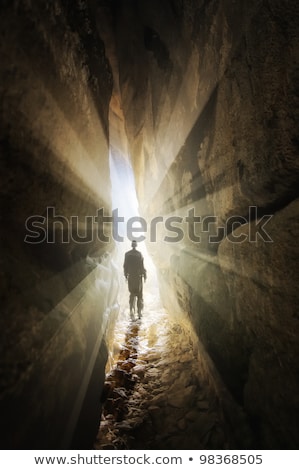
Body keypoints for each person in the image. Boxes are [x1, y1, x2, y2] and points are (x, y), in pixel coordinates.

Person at [123, 240, 147, 318]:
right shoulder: (139, 254)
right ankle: (139, 312)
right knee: (139, 295)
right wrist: (144, 274)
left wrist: (126, 275)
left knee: (132, 293)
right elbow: (142, 266)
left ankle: (131, 310)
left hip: (131, 276)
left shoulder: (127, 254)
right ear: (136, 245)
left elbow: (125, 266)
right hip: (138, 276)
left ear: (131, 245)